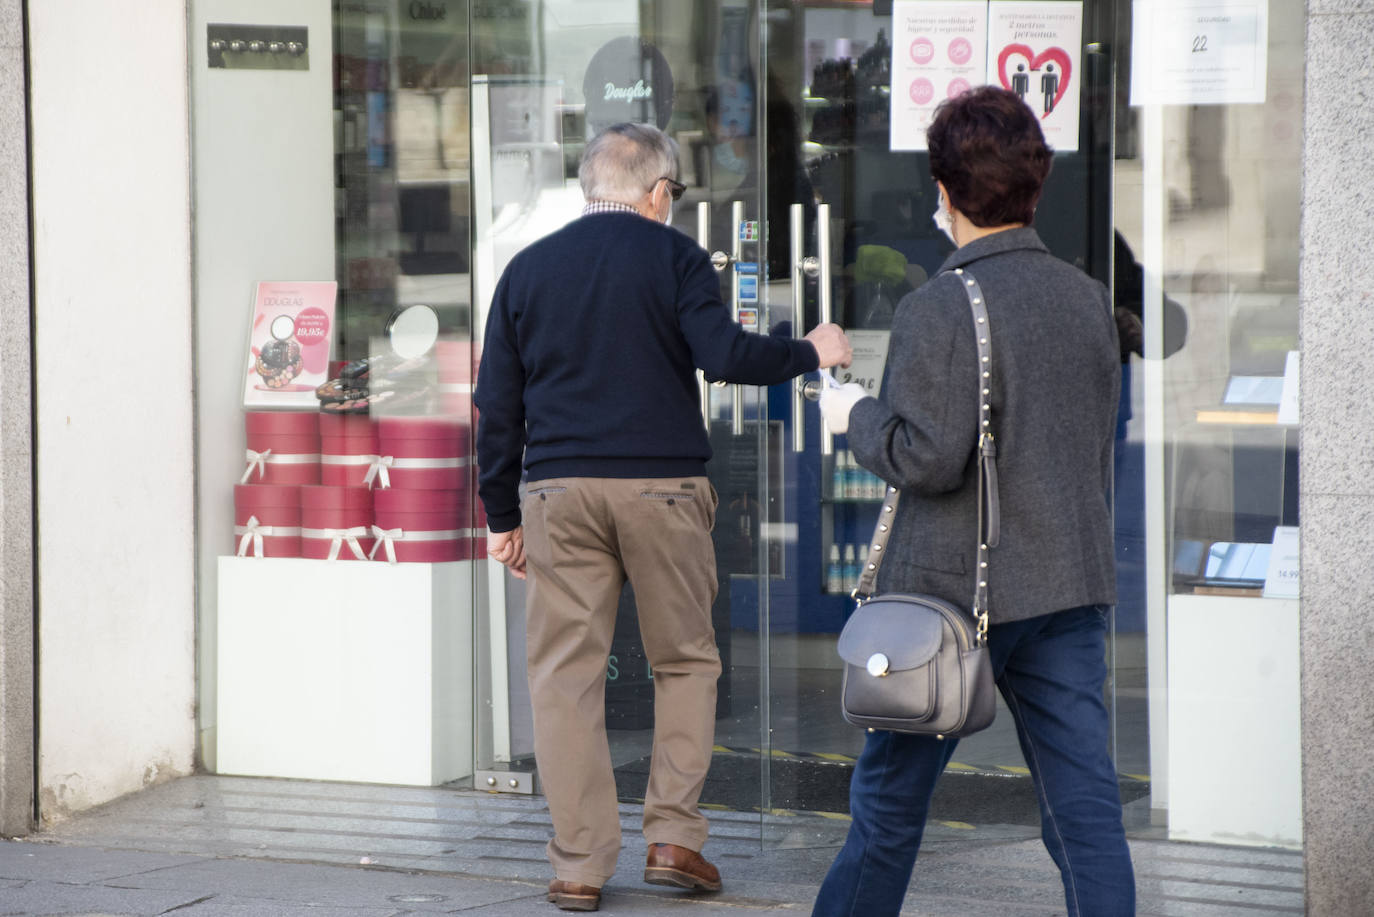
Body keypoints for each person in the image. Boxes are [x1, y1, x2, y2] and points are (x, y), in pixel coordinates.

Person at [475, 121, 853, 913]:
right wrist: (811, 350)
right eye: (674, 193)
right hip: (664, 488)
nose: (672, 206)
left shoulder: (528, 269)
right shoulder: (675, 257)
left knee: (562, 676)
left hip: (558, 491)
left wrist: (502, 511)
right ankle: (674, 838)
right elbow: (725, 356)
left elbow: (496, 404)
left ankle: (579, 864)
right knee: (684, 660)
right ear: (655, 193)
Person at [812, 86, 1135, 916]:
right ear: (1035, 183)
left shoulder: (938, 306)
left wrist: (853, 414)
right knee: (1086, 811)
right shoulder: (1086, 298)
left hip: (949, 599)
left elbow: (924, 456)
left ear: (946, 190)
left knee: (887, 810)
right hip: (1067, 582)